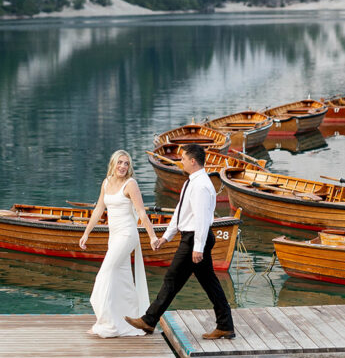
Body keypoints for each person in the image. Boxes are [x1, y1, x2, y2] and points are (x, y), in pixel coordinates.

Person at [124, 142, 236, 339]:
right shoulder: (190, 182)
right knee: (210, 284)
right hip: (192, 237)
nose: (180, 161)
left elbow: (201, 219)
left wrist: (198, 247)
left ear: (193, 161)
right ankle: (225, 325)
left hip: (195, 239)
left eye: (183, 158)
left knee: (171, 280)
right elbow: (180, 213)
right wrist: (166, 237)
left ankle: (149, 320)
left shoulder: (201, 185)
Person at [79, 149, 161, 338]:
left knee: (104, 276)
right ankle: (129, 320)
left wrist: (152, 236)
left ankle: (106, 324)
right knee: (122, 279)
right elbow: (99, 209)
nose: (123, 166)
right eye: (120, 162)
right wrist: (86, 233)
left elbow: (141, 212)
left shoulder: (130, 184)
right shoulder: (106, 183)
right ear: (113, 163)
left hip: (127, 235)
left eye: (126, 163)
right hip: (114, 237)